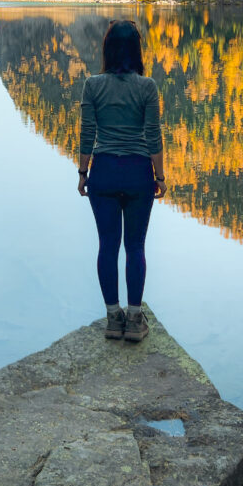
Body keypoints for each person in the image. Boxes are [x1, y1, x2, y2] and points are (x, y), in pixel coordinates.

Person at [77, 19, 166, 342]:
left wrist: (83, 173)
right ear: (136, 50)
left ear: (108, 48)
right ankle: (135, 317)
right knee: (135, 247)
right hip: (138, 173)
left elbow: (88, 134)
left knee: (107, 246)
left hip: (104, 174)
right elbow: (153, 137)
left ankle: (113, 319)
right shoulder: (147, 87)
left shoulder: (93, 85)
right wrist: (160, 176)